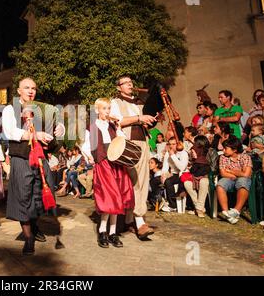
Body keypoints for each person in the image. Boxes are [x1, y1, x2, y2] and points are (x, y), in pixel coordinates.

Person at [1, 77, 65, 255]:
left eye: (34, 88)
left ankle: (34, 225)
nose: (31, 91)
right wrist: (36, 135)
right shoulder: (10, 109)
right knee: (23, 195)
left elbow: (52, 127)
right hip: (21, 157)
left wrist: (60, 129)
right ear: (19, 91)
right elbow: (10, 131)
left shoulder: (41, 110)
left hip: (40, 157)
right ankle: (28, 237)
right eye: (26, 88)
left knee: (42, 193)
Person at [81, 98, 134, 248]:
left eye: (109, 108)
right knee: (109, 197)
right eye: (104, 109)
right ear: (97, 110)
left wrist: (118, 128)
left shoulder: (112, 126)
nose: (107, 112)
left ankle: (113, 232)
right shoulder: (91, 127)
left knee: (118, 197)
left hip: (116, 164)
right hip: (103, 164)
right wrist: (89, 156)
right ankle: (102, 231)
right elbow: (86, 145)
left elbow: (122, 141)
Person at [110, 75, 156, 240]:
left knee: (143, 181)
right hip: (127, 145)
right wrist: (138, 118)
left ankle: (131, 220)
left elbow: (143, 121)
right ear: (118, 87)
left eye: (131, 82)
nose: (130, 85)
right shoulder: (115, 102)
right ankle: (139, 221)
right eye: (126, 83)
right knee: (132, 181)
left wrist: (150, 120)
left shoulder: (139, 103)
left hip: (143, 142)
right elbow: (118, 121)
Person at [216, 137, 252, 224]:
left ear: (235, 150)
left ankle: (236, 210)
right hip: (229, 178)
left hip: (241, 179)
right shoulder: (223, 157)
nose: (223, 150)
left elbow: (246, 174)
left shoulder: (245, 157)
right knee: (220, 184)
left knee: (243, 182)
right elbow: (223, 173)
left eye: (226, 148)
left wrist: (230, 171)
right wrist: (238, 174)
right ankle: (226, 213)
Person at [184, 135, 211, 217]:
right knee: (187, 183)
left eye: (195, 143)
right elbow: (193, 170)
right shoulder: (196, 156)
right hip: (195, 178)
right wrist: (194, 160)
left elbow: (210, 168)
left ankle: (198, 208)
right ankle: (199, 208)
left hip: (207, 178)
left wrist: (195, 162)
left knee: (203, 181)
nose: (193, 146)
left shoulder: (209, 153)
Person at [160, 137, 190, 212]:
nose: (171, 146)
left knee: (169, 181)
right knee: (158, 180)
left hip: (183, 174)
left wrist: (173, 156)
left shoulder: (183, 153)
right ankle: (160, 201)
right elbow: (165, 167)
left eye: (173, 144)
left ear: (178, 144)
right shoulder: (168, 153)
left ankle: (173, 205)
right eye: (169, 144)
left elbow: (182, 168)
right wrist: (163, 175)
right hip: (173, 174)